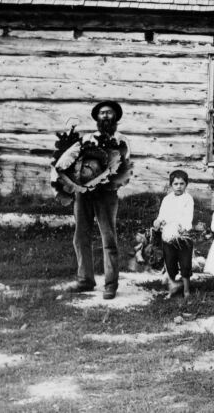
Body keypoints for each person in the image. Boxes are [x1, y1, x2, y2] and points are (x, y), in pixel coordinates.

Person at [53, 100, 132, 300]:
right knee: (81, 236)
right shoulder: (88, 138)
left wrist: (104, 180)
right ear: (97, 117)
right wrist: (60, 173)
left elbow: (122, 165)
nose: (105, 116)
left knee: (108, 237)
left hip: (106, 192)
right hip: (83, 192)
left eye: (109, 113)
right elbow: (72, 157)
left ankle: (111, 284)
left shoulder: (121, 140)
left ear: (116, 117)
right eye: (102, 113)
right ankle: (85, 280)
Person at [154, 170, 195, 298]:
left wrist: (184, 228)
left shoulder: (188, 199)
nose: (178, 186)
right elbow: (162, 216)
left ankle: (186, 290)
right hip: (168, 235)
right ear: (171, 185)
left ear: (186, 185)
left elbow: (188, 218)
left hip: (183, 236)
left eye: (182, 183)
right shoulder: (167, 199)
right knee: (170, 262)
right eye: (175, 184)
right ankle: (173, 287)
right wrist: (158, 221)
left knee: (185, 264)